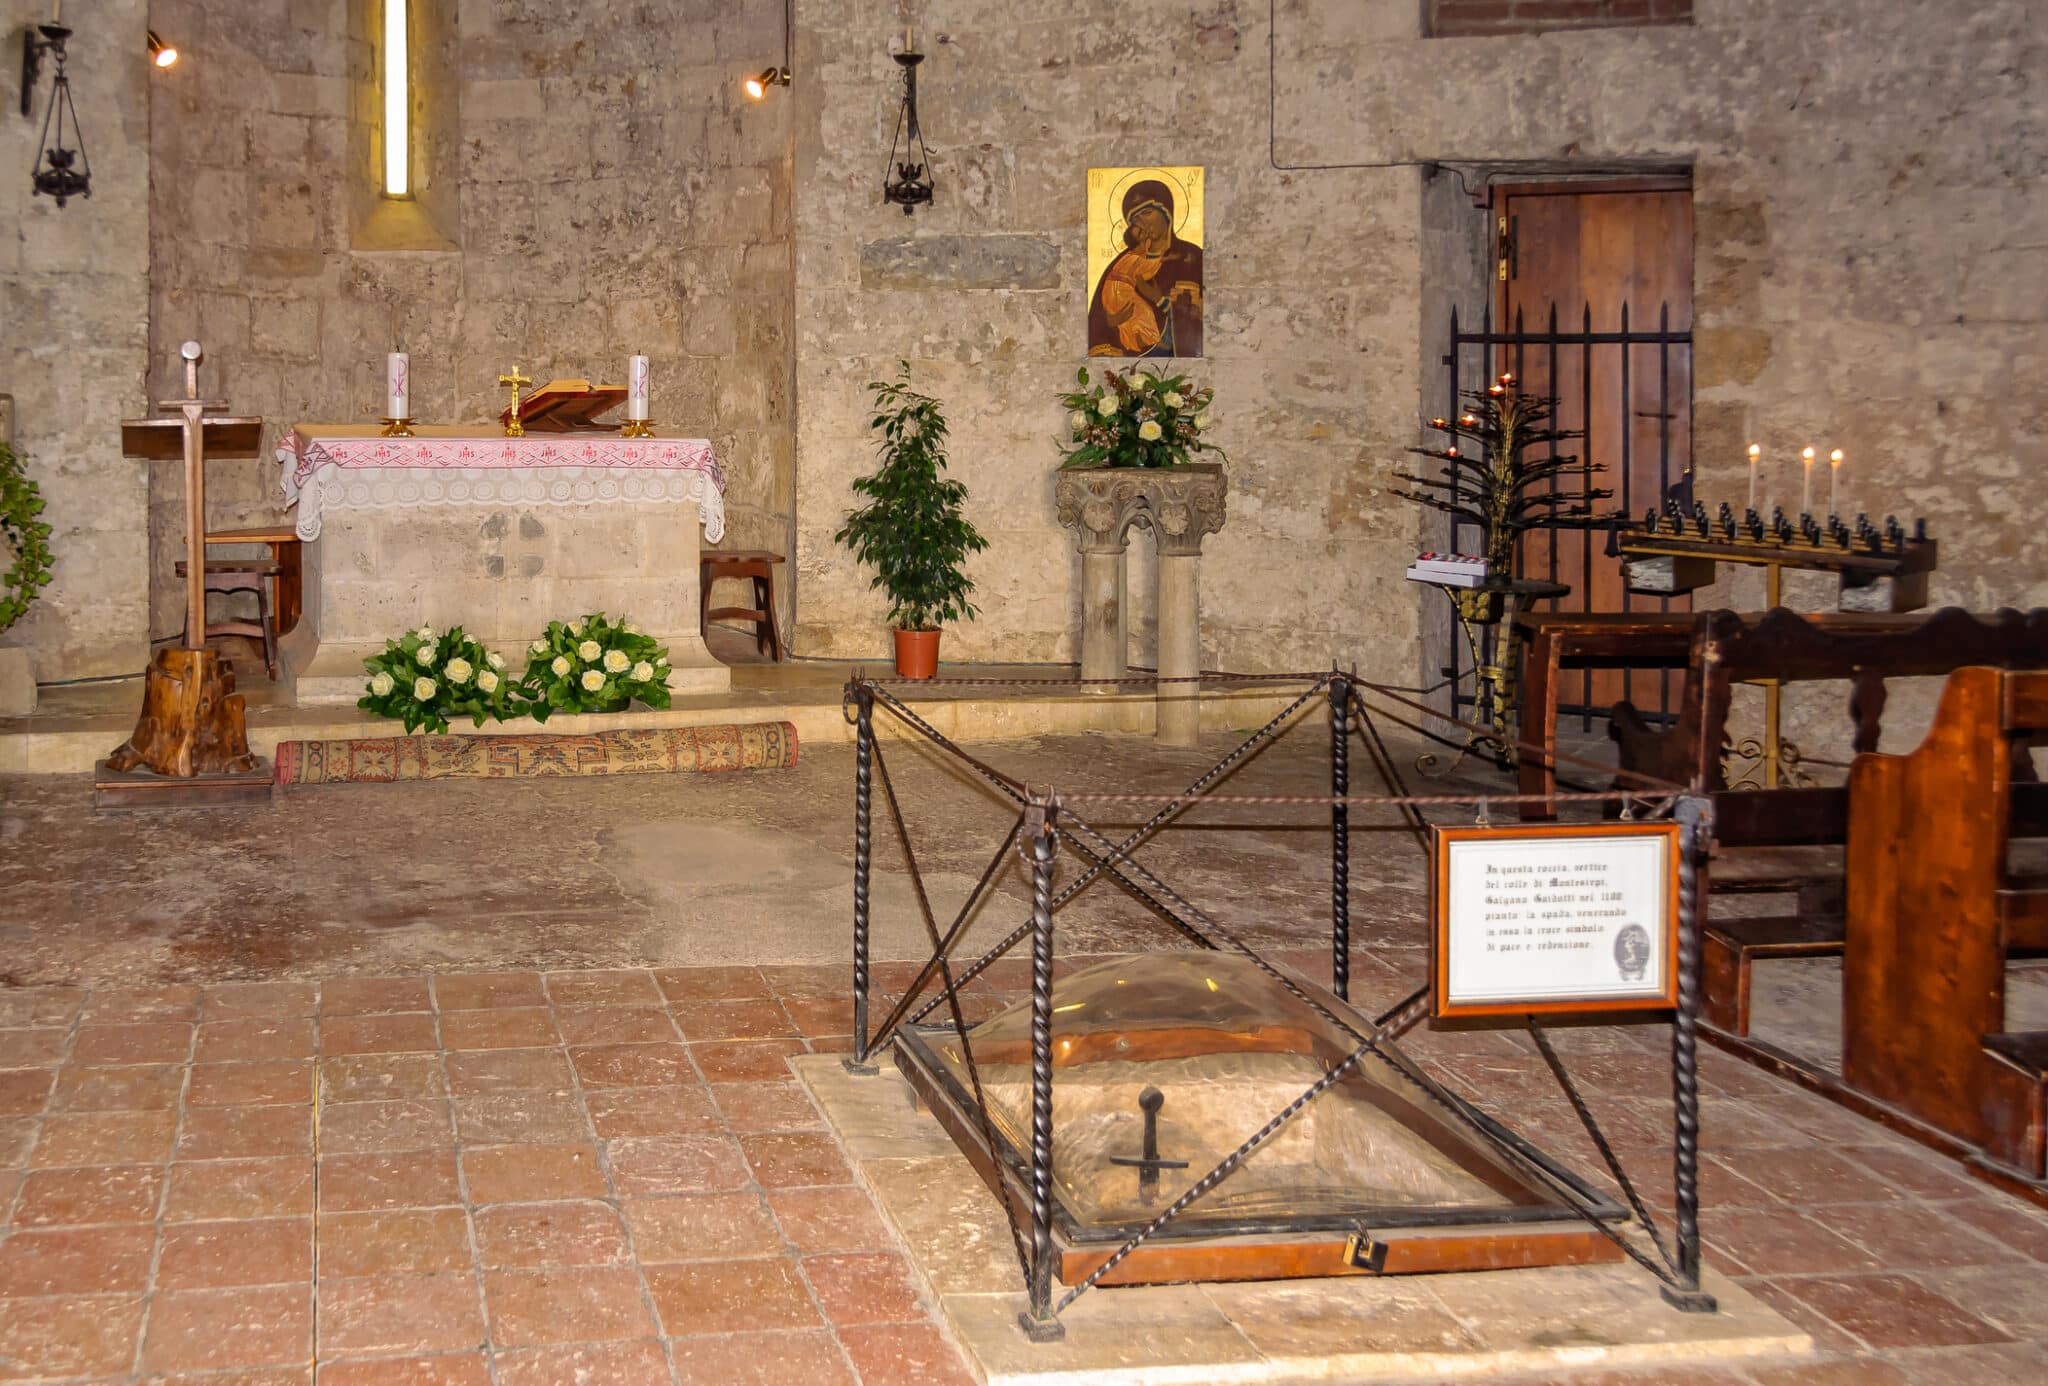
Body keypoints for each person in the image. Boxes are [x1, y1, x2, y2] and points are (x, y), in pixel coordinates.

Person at [1087, 179, 1204, 357]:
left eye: (1147, 213)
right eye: (1135, 219)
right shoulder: (1122, 262)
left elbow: (1204, 320)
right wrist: (1112, 320)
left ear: (1167, 213)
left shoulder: (1192, 257)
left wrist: (1159, 300)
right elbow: (1097, 321)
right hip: (1127, 366)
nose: (1141, 223)